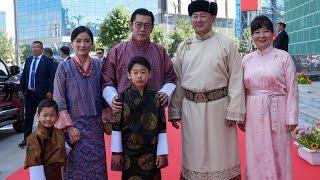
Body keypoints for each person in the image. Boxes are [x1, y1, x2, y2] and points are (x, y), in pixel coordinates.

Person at [168, 1, 245, 179]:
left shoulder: (226, 44)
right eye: (194, 16)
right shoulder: (183, 46)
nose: (198, 20)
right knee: (194, 155)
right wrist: (175, 110)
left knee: (221, 156)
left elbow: (236, 78)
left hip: (219, 110)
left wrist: (234, 111)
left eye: (203, 15)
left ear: (212, 18)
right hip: (191, 110)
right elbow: (178, 79)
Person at [241, 15, 298, 180]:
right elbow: (240, 90)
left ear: (273, 34)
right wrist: (240, 115)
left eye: (265, 31)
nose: (261, 36)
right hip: (253, 112)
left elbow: (292, 88)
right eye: (256, 32)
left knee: (279, 151)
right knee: (256, 152)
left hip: (277, 110)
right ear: (252, 36)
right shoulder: (247, 59)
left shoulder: (283, 57)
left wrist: (291, 117)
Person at [101, 8, 176, 118]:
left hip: (154, 112)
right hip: (124, 111)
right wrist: (112, 98)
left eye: (147, 25)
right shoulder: (116, 51)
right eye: (138, 24)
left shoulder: (160, 51)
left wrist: (166, 92)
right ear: (130, 25)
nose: (142, 29)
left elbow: (171, 76)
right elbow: (106, 80)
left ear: (152, 28)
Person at [53, 26, 107, 179]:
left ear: (92, 43)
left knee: (97, 168)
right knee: (75, 167)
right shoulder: (63, 67)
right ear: (72, 44)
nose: (82, 45)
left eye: (86, 41)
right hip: (74, 127)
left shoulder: (98, 65)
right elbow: (59, 98)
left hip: (96, 126)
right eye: (78, 41)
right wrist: (69, 127)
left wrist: (108, 115)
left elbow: (105, 91)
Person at [111, 56, 168, 179]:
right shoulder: (120, 98)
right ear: (129, 75)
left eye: (143, 72)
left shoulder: (156, 98)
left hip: (151, 150)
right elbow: (116, 126)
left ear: (150, 74)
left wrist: (162, 152)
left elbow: (162, 127)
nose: (139, 76)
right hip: (129, 152)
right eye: (135, 72)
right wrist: (116, 152)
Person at [19, 41, 56, 148]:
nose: (35, 49)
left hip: (43, 94)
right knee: (28, 117)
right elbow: (24, 76)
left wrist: (50, 91)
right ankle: (27, 139)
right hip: (29, 94)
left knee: (44, 117)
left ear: (42, 49)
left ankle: (45, 139)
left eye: (37, 47)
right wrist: (21, 89)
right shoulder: (28, 60)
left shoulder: (48, 61)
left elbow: (52, 77)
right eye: (33, 47)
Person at [24, 99, 66, 180]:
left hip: (57, 174)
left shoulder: (59, 133)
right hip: (42, 174)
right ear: (38, 116)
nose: (48, 119)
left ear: (57, 116)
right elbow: (34, 164)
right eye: (45, 115)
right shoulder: (34, 138)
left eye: (52, 115)